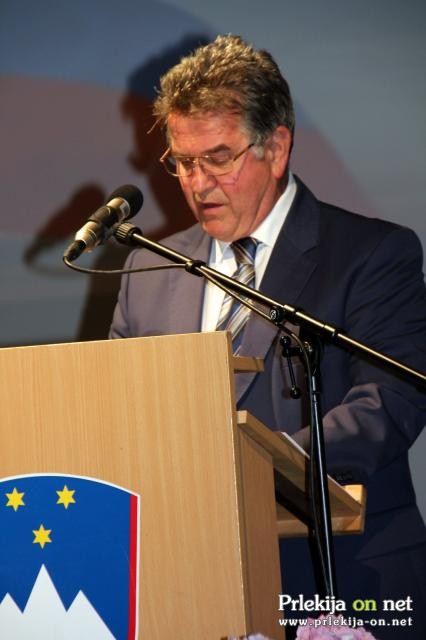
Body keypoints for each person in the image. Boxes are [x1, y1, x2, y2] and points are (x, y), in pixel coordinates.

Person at [110, 35, 426, 638]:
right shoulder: (149, 270)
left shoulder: (371, 254)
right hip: (192, 586)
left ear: (276, 147)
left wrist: (255, 467)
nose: (198, 183)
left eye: (218, 158)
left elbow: (390, 400)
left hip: (343, 578)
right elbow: (122, 417)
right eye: (182, 162)